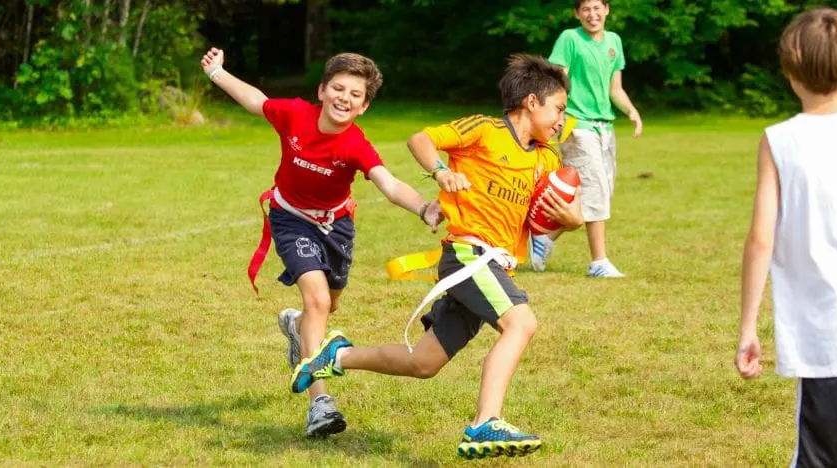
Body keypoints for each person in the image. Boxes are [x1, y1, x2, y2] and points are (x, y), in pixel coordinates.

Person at [287, 54, 583, 459]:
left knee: (423, 363)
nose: (562, 120)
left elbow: (547, 219)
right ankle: (485, 423)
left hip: (495, 263)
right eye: (559, 109)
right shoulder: (485, 130)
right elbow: (420, 140)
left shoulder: (547, 158)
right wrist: (441, 171)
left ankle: (335, 355)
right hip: (467, 255)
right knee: (521, 322)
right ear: (531, 102)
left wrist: (572, 220)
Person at [199, 48, 443, 438]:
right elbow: (256, 101)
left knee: (328, 305)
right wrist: (218, 73)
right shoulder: (296, 114)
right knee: (317, 301)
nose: (344, 98)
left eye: (355, 94)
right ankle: (320, 403)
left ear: (363, 107)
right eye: (338, 88)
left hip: (336, 226)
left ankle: (296, 327)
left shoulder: (356, 144)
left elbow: (389, 183)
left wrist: (423, 209)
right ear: (322, 90)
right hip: (291, 218)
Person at [733, 8, 837, 467]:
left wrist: (748, 327)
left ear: (790, 68)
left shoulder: (780, 141)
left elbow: (760, 240)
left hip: (828, 341)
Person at [530, 0, 642, 276]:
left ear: (607, 10)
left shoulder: (614, 41)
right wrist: (557, 116)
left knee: (596, 193)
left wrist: (631, 110)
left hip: (605, 127)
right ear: (577, 14)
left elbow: (615, 88)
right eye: (586, 9)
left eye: (597, 8)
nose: (592, 14)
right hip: (577, 125)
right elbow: (558, 81)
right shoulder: (570, 39)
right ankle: (598, 262)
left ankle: (543, 238)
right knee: (596, 190)